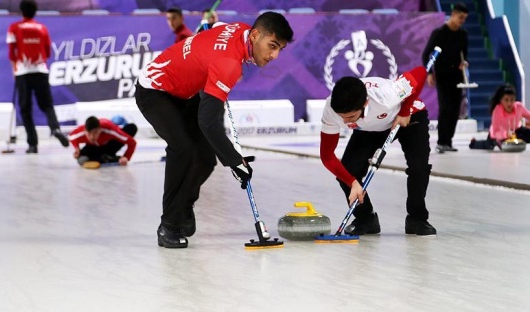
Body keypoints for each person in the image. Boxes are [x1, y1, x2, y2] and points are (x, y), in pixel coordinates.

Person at [135, 12, 294, 248]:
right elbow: (208, 122)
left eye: (279, 48)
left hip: (183, 91)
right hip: (154, 90)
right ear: (256, 35)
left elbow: (214, 25)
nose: (274, 55)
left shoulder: (241, 28)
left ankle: (184, 204)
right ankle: (168, 225)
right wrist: (236, 162)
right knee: (183, 149)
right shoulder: (228, 64)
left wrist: (206, 26)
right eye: (272, 46)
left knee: (206, 158)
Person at [319, 66, 437, 236]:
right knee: (348, 170)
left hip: (409, 116)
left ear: (365, 104)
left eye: (350, 117)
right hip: (369, 128)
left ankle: (417, 219)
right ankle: (366, 219)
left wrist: (405, 110)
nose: (345, 121)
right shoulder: (331, 109)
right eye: (342, 117)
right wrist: (352, 181)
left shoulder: (385, 95)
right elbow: (327, 156)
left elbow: (419, 72)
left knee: (418, 167)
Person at [6, 0, 69, 154]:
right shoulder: (42, 28)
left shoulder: (14, 28)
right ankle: (55, 128)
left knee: (26, 109)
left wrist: (15, 71)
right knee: (47, 105)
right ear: (35, 12)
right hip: (41, 71)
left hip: (23, 73)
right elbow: (47, 52)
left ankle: (33, 144)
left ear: (21, 11)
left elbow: (11, 53)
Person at [422, 2, 469, 153]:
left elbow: (464, 55)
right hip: (441, 75)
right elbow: (426, 54)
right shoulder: (439, 33)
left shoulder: (463, 34)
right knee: (445, 107)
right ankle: (442, 141)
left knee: (455, 109)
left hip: (457, 76)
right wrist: (429, 73)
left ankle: (449, 141)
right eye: (460, 17)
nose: (462, 21)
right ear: (453, 14)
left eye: (464, 18)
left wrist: (464, 64)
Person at [470, 84, 530, 150]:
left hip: (516, 131)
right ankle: (474, 143)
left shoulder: (519, 107)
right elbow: (496, 132)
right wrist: (506, 134)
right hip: (498, 134)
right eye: (506, 100)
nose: (509, 103)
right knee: (488, 146)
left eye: (512, 100)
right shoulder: (497, 111)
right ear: (501, 100)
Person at [68, 116, 137, 166]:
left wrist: (126, 157)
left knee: (132, 128)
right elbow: (71, 137)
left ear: (100, 129)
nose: (92, 137)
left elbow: (132, 142)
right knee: (81, 158)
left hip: (110, 145)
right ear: (85, 131)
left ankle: (105, 157)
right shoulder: (80, 132)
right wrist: (77, 148)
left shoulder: (109, 129)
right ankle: (107, 158)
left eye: (95, 132)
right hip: (93, 148)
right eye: (89, 133)